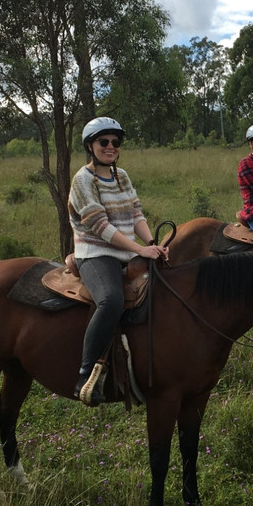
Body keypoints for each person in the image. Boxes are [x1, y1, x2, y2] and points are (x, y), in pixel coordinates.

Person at [69, 117, 169, 406]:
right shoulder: (83, 180)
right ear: (91, 146)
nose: (110, 147)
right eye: (104, 142)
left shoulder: (121, 175)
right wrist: (139, 250)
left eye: (115, 142)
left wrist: (152, 244)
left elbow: (136, 214)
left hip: (127, 250)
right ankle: (85, 374)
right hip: (96, 253)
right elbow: (99, 226)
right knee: (111, 301)